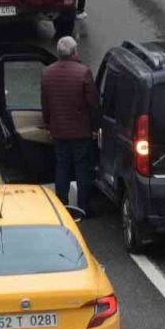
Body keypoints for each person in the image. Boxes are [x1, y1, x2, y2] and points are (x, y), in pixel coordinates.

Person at [40, 36, 98, 212]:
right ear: (74, 53)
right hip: (81, 132)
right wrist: (95, 127)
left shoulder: (47, 73)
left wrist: (48, 125)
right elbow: (93, 104)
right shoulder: (83, 73)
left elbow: (45, 104)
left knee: (62, 166)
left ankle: (62, 203)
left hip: (59, 131)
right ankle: (84, 205)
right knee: (82, 168)